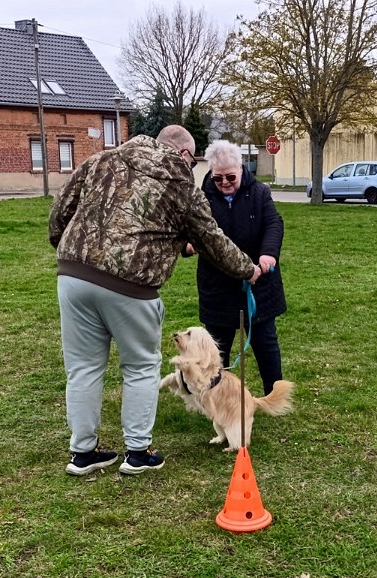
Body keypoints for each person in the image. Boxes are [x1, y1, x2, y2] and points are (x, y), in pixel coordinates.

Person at [49, 125, 262, 477]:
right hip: (132, 285)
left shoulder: (100, 159)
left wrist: (68, 251)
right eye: (192, 160)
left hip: (72, 275)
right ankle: (138, 452)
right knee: (141, 367)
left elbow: (61, 208)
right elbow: (213, 240)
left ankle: (83, 453)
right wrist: (247, 270)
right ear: (182, 154)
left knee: (83, 368)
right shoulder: (182, 186)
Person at [189, 140, 287, 396]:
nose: (224, 183)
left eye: (230, 177)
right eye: (218, 178)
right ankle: (211, 396)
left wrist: (268, 255)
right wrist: (189, 245)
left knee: (265, 342)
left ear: (242, 169)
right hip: (217, 286)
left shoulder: (259, 193)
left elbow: (274, 224)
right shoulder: (202, 198)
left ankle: (272, 393)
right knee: (216, 347)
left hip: (257, 283)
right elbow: (191, 229)